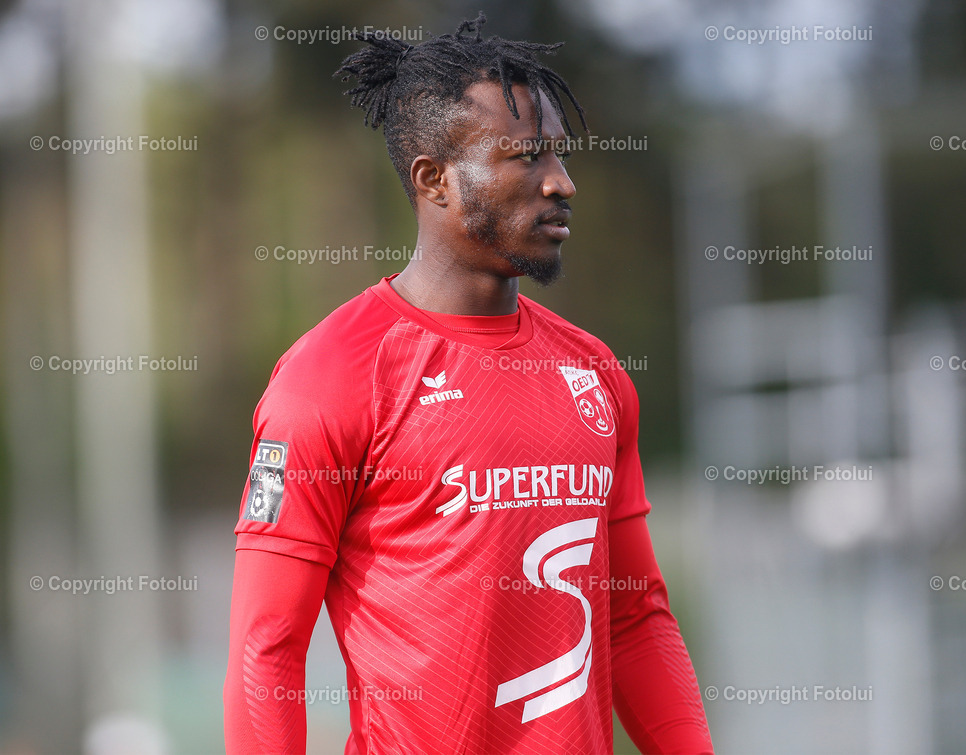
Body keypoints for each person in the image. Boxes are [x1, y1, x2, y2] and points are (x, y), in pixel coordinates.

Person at [224, 13, 713, 754]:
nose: (562, 182)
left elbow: (633, 618)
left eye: (560, 155)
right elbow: (268, 649)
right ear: (435, 181)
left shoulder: (596, 374)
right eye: (525, 156)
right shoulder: (330, 377)